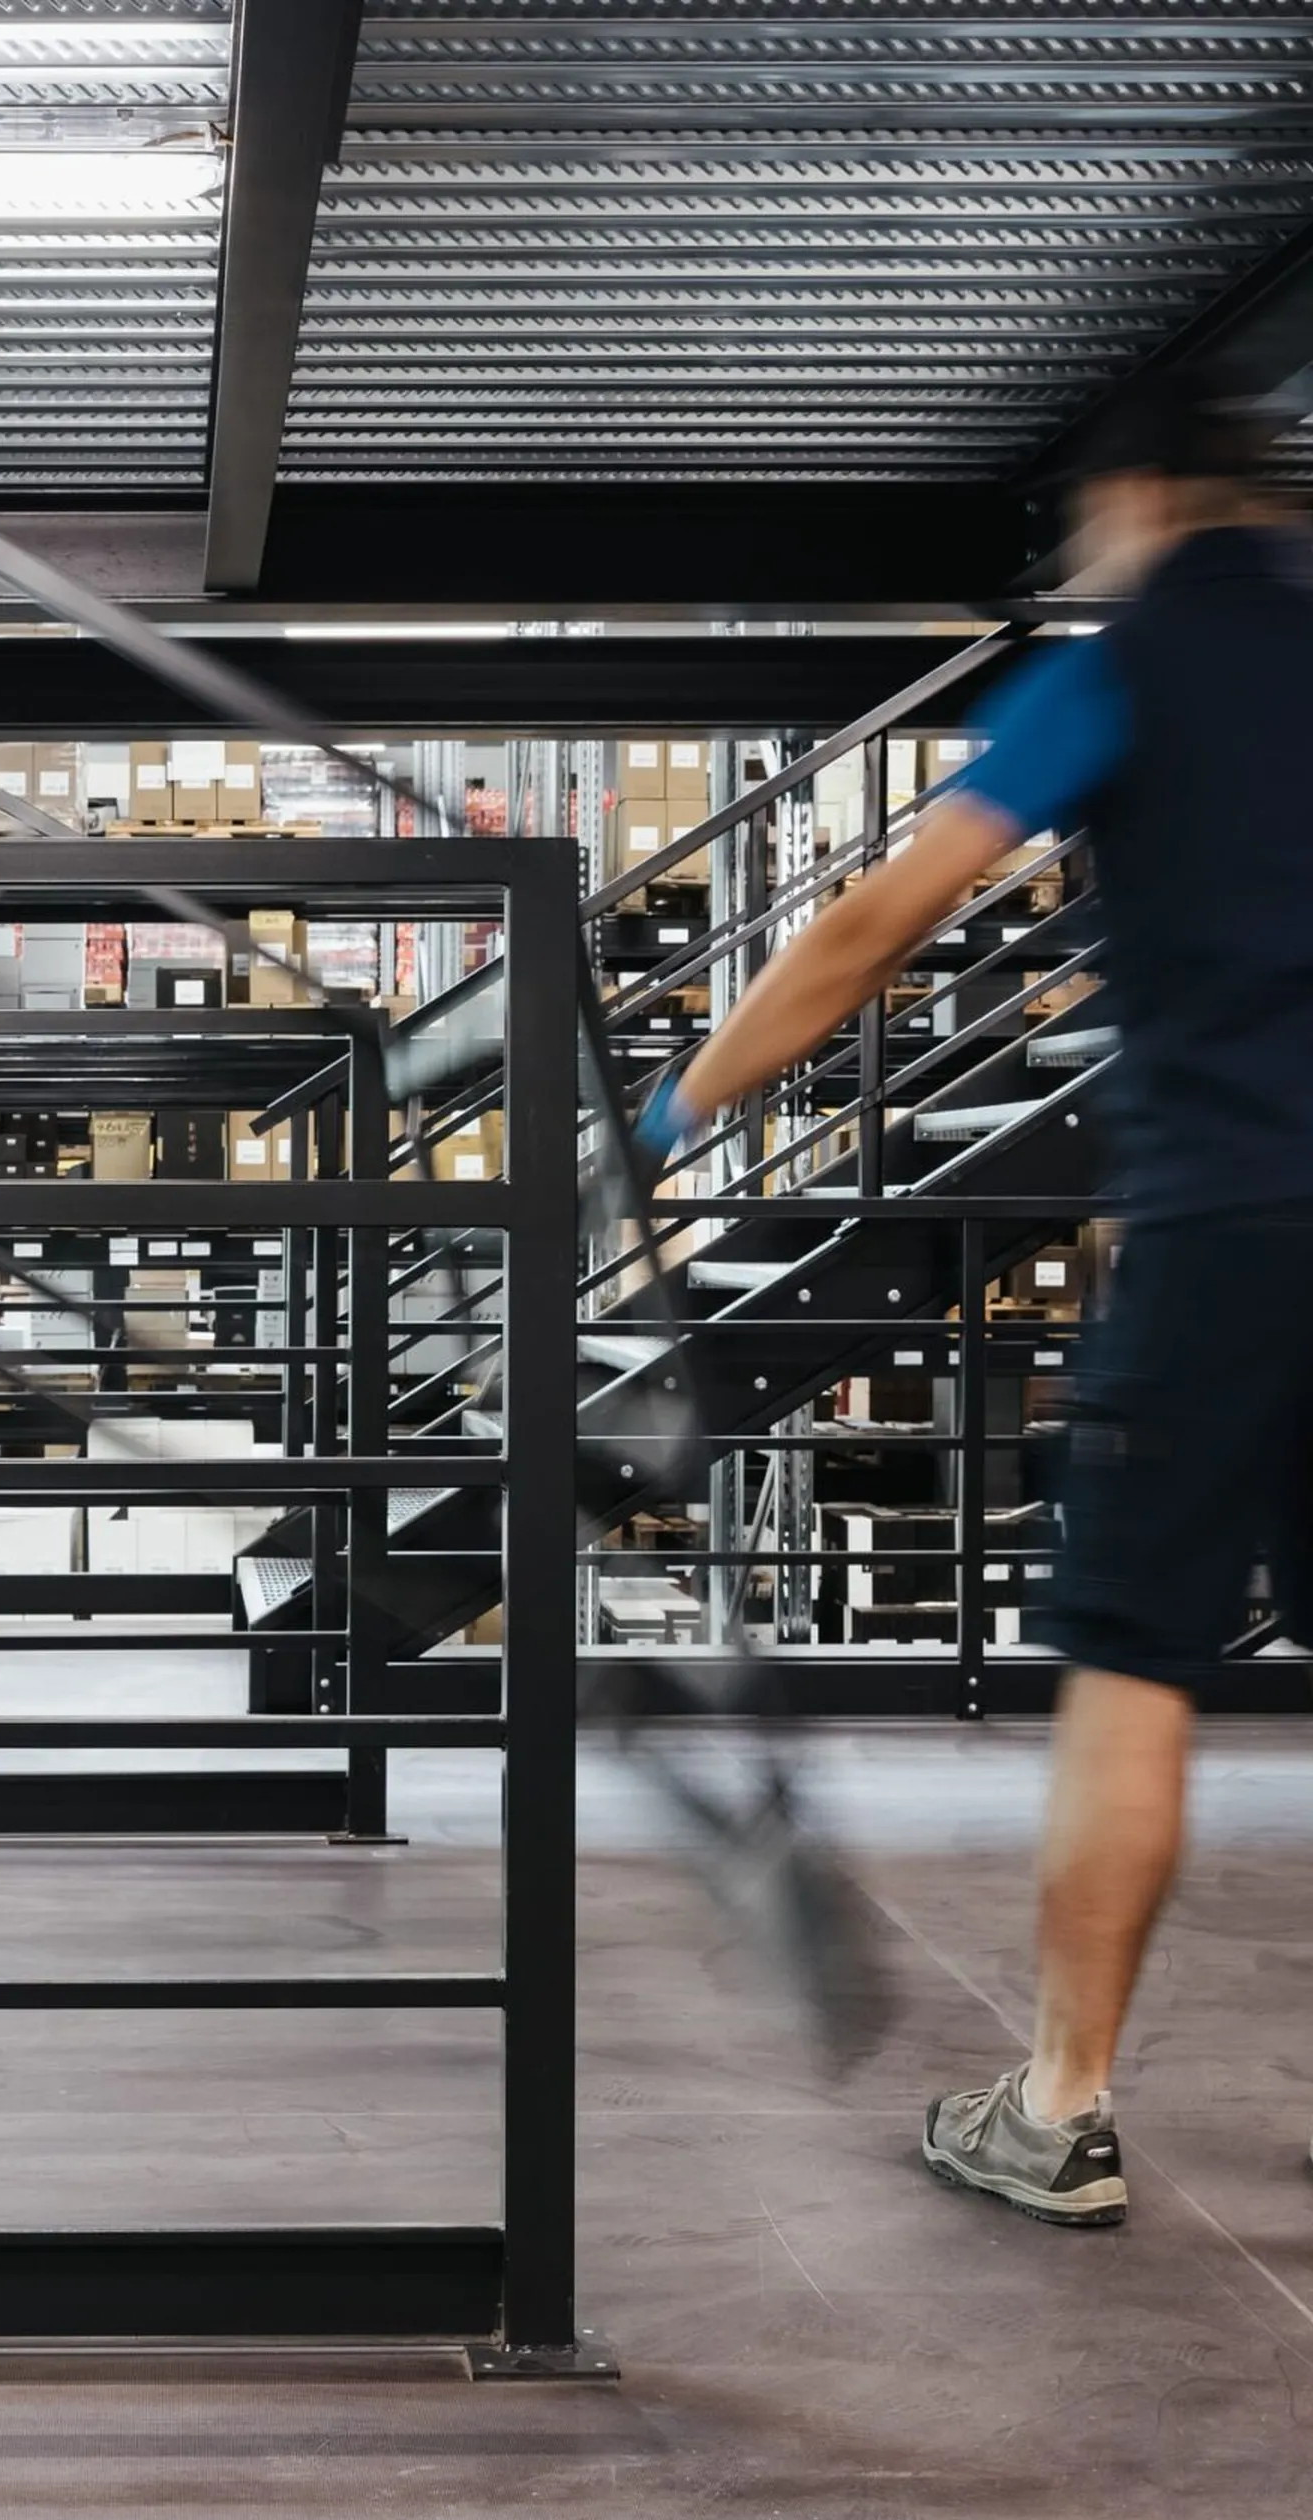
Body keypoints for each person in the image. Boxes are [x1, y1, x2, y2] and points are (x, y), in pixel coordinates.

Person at [628, 367, 1312, 2228]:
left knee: (1137, 1668)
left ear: (1140, 504)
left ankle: (1062, 2108)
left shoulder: (1128, 654)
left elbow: (880, 915)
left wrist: (693, 1094)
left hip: (1229, 1218)